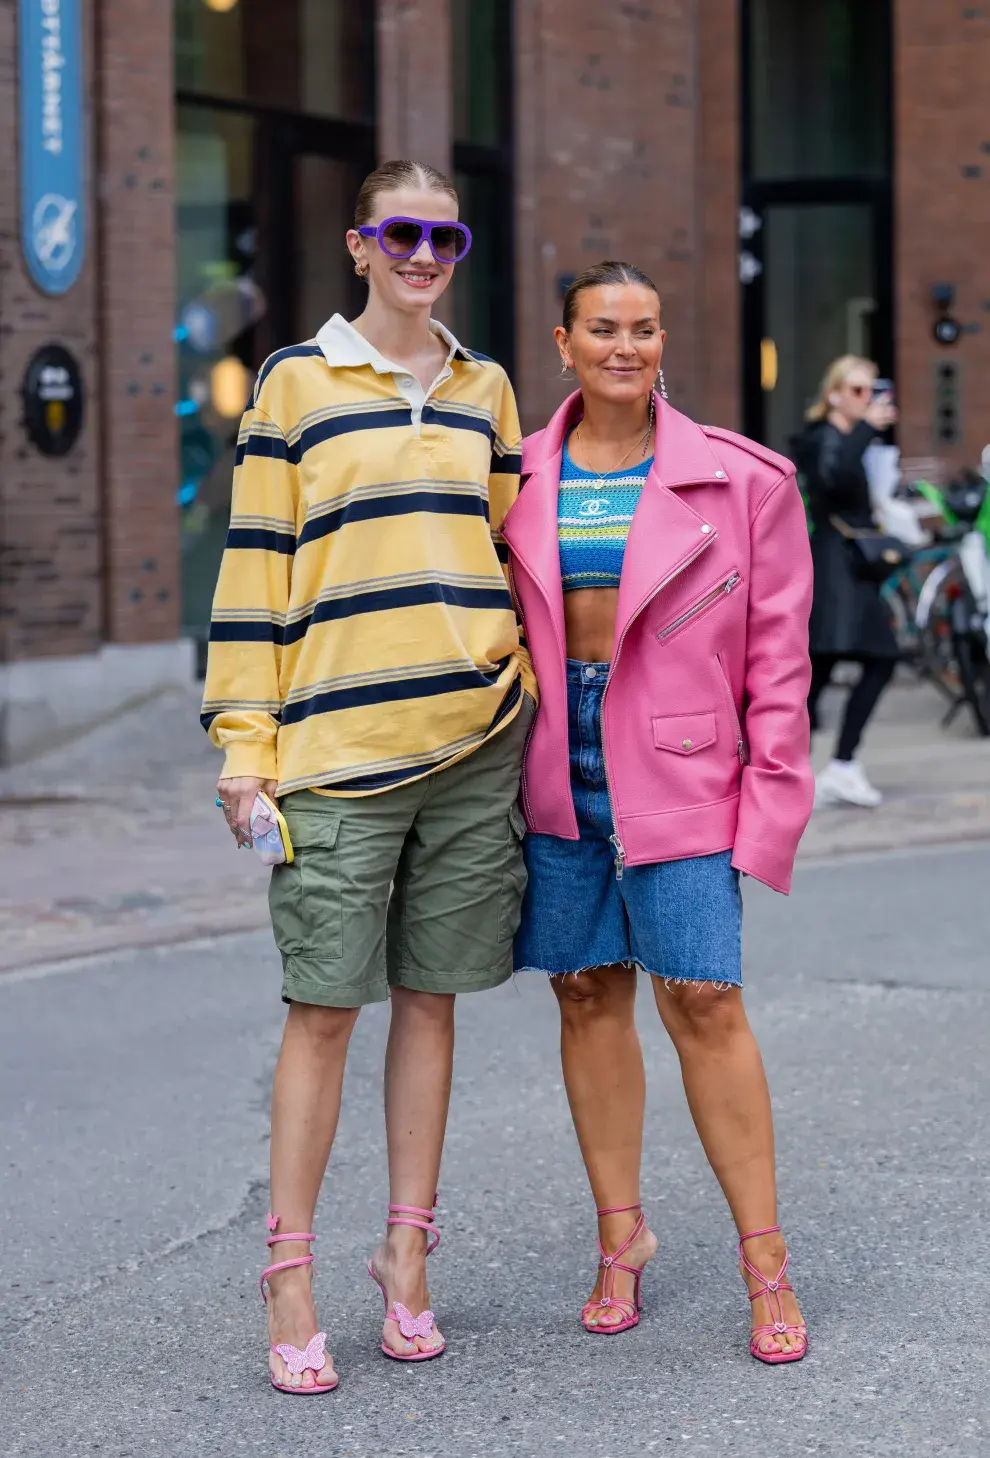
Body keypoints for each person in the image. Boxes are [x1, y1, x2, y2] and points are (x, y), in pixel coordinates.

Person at [202, 159, 535, 1393]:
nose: (423, 252)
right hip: (333, 758)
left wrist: (527, 682)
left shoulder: (485, 389)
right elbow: (254, 576)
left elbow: (509, 550)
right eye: (401, 232)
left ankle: (407, 1254)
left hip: (471, 747)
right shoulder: (294, 385)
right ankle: (287, 1273)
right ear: (359, 244)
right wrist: (249, 750)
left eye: (444, 234)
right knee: (325, 1013)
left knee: (432, 1003)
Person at [503, 261, 814, 1364]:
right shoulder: (514, 474)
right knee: (587, 995)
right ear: (564, 343)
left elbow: (780, 667)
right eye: (602, 329)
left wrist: (769, 811)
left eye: (642, 329)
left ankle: (764, 1261)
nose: (624, 347)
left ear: (662, 339)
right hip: (555, 764)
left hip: (682, 768)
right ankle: (619, 1239)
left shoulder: (747, 481)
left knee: (703, 1000)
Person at [791, 356, 900, 808]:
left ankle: (832, 766)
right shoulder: (822, 438)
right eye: (857, 390)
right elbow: (830, 481)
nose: (867, 399)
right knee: (832, 667)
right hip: (835, 564)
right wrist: (866, 430)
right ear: (833, 394)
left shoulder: (856, 439)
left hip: (852, 566)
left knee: (825, 668)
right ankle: (825, 767)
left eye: (872, 390)